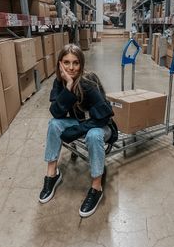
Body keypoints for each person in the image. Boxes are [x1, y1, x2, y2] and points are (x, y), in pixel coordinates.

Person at [39, 44, 118, 218]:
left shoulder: (88, 82)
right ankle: (52, 174)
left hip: (101, 126)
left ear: (81, 64)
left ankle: (96, 187)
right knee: (54, 124)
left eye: (75, 63)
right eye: (66, 62)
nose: (71, 67)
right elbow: (56, 112)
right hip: (81, 121)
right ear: (60, 63)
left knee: (93, 134)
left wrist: (76, 131)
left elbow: (103, 116)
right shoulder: (59, 82)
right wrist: (68, 86)